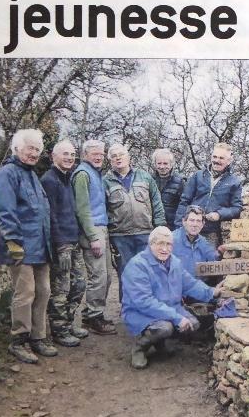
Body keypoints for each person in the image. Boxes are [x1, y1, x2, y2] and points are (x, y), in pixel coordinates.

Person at [0, 129, 57, 364]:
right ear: (17, 148)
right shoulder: (7, 174)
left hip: (40, 247)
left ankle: (38, 337)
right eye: (30, 148)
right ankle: (19, 340)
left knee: (43, 292)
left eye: (38, 150)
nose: (34, 153)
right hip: (21, 247)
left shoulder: (31, 175)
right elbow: (3, 212)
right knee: (25, 293)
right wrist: (14, 244)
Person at [120, 227, 221, 369]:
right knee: (165, 328)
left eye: (168, 244)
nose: (165, 249)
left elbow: (190, 284)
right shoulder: (137, 266)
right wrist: (177, 318)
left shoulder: (174, 262)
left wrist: (211, 292)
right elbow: (144, 302)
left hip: (170, 308)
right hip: (140, 312)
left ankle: (159, 343)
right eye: (160, 243)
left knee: (194, 324)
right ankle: (140, 348)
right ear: (150, 244)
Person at [40, 140, 90, 347]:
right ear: (53, 156)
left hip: (73, 240)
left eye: (72, 154)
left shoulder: (67, 178)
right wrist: (60, 243)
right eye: (65, 154)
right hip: (61, 244)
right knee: (61, 288)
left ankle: (69, 324)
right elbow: (49, 215)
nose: (69, 158)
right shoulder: (49, 180)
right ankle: (59, 330)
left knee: (79, 284)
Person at [71, 139, 117, 335]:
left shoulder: (95, 174)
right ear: (85, 155)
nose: (99, 157)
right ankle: (92, 317)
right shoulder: (82, 174)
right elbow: (82, 210)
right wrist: (92, 237)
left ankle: (95, 312)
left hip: (102, 228)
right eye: (94, 153)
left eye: (101, 153)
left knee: (106, 276)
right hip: (93, 231)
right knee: (98, 276)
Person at [104, 143, 166, 276]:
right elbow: (102, 210)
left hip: (145, 234)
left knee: (148, 273)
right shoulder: (106, 181)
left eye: (121, 155)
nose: (118, 158)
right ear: (110, 161)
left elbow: (157, 203)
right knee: (126, 274)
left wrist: (159, 228)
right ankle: (126, 298)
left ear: (129, 157)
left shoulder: (144, 176)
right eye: (114, 156)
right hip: (120, 237)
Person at [174, 142, 244, 249]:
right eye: (214, 157)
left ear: (229, 161)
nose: (217, 161)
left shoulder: (234, 182)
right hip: (190, 229)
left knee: (207, 263)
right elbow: (184, 201)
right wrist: (179, 226)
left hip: (211, 232)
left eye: (221, 158)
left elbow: (236, 208)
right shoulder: (198, 176)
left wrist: (219, 214)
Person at [171, 206, 219, 278]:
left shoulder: (204, 243)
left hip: (197, 286)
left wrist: (220, 253)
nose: (195, 224)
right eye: (191, 220)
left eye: (198, 221)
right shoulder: (171, 240)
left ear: (203, 224)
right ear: (184, 222)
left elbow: (214, 262)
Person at [151, 148, 185, 231]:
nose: (162, 167)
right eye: (159, 163)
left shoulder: (181, 182)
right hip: (152, 226)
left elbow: (184, 205)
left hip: (173, 227)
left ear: (171, 164)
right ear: (155, 164)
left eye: (165, 163)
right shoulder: (149, 180)